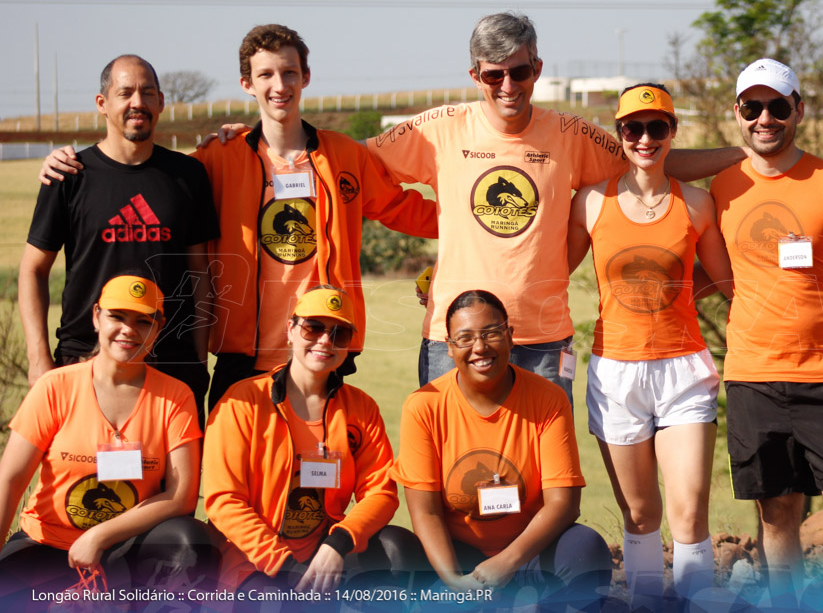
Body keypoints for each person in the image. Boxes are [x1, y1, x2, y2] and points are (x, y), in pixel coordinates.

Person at [38, 25, 439, 412]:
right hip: (240, 355)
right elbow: (147, 179)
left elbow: (402, 208)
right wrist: (70, 163)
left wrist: (471, 220)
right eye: (266, 74)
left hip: (322, 341)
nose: (279, 86)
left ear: (306, 77)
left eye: (289, 73)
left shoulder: (344, 155)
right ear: (247, 83)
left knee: (318, 475)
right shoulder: (218, 158)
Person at [363, 12, 745, 398]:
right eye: (494, 75)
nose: (508, 86)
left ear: (538, 68)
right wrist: (437, 221)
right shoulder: (439, 128)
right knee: (456, 459)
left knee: (542, 460)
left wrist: (743, 155)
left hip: (542, 341)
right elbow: (358, 167)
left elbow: (650, 160)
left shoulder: (570, 134)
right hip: (456, 338)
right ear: (475, 76)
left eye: (519, 72)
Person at [710, 59, 823, 595]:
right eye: (752, 107)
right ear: (736, 114)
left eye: (778, 106)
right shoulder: (722, 185)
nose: (765, 118)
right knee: (776, 516)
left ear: (799, 111)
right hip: (752, 376)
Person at [567, 83, 733, 607]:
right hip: (616, 371)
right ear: (620, 134)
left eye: (656, 127)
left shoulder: (699, 204)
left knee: (689, 512)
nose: (644, 138)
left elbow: (731, 287)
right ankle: (644, 603)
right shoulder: (591, 202)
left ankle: (693, 601)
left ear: (672, 132)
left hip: (684, 370)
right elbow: (546, 273)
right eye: (633, 128)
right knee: (640, 514)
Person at [21, 55, 218, 423]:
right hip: (85, 359)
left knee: (173, 481)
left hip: (172, 366)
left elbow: (201, 275)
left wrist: (198, 359)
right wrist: (39, 361)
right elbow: (33, 270)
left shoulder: (188, 175)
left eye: (147, 93)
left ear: (161, 101)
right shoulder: (69, 176)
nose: (137, 103)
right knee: (79, 479)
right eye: (125, 93)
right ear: (103, 103)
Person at [0, 275, 215, 607]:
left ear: (159, 328)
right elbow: (10, 481)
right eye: (118, 316)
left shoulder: (175, 396)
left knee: (191, 543)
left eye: (143, 321)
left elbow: (181, 495)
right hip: (48, 546)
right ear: (97, 317)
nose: (129, 329)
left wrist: (99, 535)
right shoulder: (54, 387)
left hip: (127, 550)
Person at [390, 290, 611, 610]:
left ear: (509, 336)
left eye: (491, 333)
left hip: (528, 553)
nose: (479, 347)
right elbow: (425, 511)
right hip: (461, 557)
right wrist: (455, 581)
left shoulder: (547, 398)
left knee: (586, 549)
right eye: (464, 338)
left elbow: (563, 504)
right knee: (396, 551)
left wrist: (505, 564)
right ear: (450, 349)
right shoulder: (424, 405)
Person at [203, 286, 417, 595]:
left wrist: (338, 543)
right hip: (254, 562)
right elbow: (223, 500)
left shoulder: (361, 407)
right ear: (290, 330)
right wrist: (285, 566)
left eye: (339, 334)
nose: (324, 341)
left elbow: (381, 492)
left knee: (397, 547)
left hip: (327, 557)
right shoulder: (242, 401)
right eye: (313, 328)